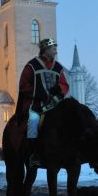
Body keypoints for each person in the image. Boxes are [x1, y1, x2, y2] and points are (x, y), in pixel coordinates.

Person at [16, 38, 69, 168]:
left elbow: (64, 84)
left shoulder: (58, 67)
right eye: (53, 48)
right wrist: (39, 93)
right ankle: (33, 154)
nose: (55, 50)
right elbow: (24, 85)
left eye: (56, 47)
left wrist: (59, 91)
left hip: (55, 104)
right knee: (33, 121)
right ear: (45, 49)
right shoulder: (32, 65)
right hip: (36, 104)